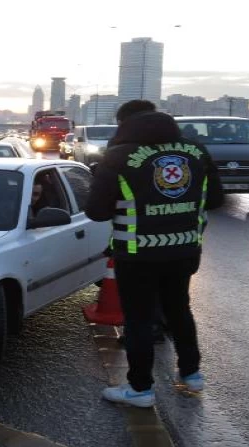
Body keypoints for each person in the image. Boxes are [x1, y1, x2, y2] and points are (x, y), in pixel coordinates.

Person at [85, 99, 224, 408]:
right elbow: (215, 200)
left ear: (124, 124)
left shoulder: (118, 156)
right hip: (184, 249)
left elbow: (95, 211)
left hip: (137, 255)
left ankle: (140, 389)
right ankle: (191, 373)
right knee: (179, 311)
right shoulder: (196, 152)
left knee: (138, 319)